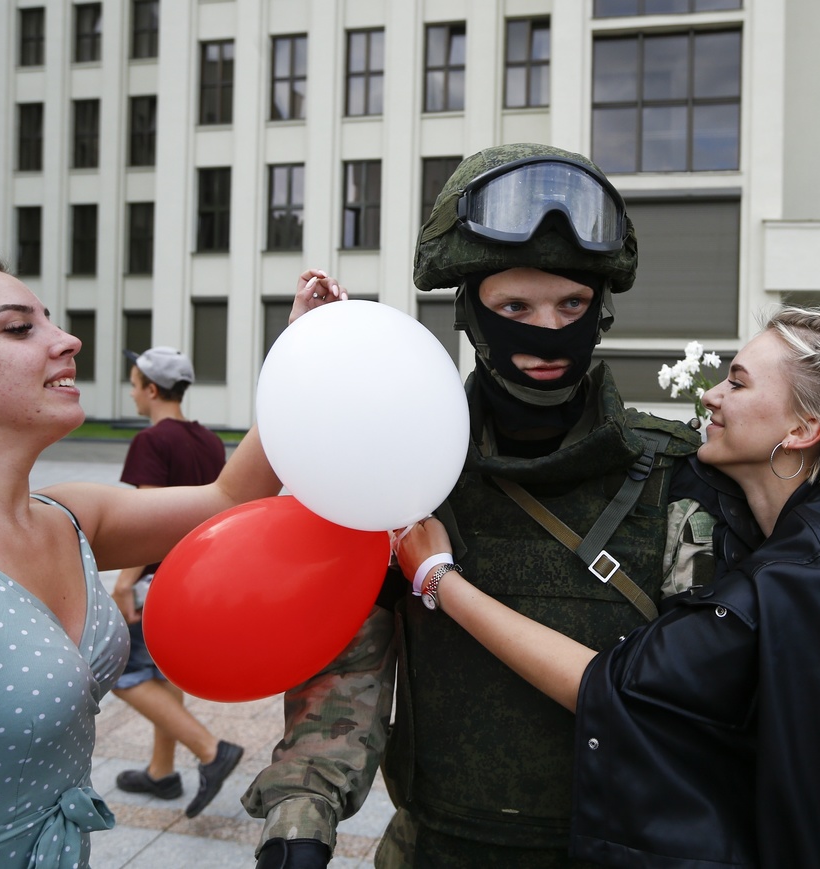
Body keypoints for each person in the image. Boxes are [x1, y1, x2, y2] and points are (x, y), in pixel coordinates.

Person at [241, 143, 707, 868]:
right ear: (470, 313)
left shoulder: (671, 472)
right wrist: (300, 824)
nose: (548, 331)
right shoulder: (405, 474)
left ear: (601, 310)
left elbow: (701, 693)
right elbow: (347, 679)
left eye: (572, 304)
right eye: (515, 306)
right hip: (440, 849)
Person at [0, 252, 338, 867]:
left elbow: (231, 498)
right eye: (19, 328)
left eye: (50, 321)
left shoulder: (67, 516)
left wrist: (299, 351)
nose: (68, 339)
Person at [392, 305, 820, 867]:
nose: (712, 396)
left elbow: (609, 687)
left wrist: (440, 580)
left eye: (738, 383)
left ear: (802, 430)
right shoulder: (815, 546)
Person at [110, 346, 244, 818]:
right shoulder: (207, 440)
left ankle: (210, 750)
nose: (130, 391)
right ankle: (161, 773)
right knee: (161, 672)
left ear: (150, 389)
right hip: (196, 581)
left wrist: (125, 583)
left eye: (132, 383)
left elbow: (149, 523)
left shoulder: (152, 442)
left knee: (119, 672)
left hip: (157, 582)